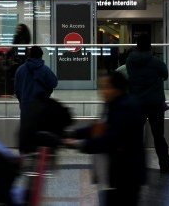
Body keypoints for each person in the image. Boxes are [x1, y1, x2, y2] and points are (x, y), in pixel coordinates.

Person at [63, 72, 146, 206]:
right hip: (115, 174)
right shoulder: (113, 104)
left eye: (106, 87)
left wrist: (80, 144)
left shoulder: (127, 107)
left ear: (117, 88)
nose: (102, 91)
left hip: (126, 174)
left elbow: (112, 139)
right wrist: (72, 134)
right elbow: (98, 129)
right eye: (101, 87)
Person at [126, 33, 169, 174]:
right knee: (159, 136)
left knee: (135, 136)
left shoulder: (130, 61)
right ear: (150, 46)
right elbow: (165, 75)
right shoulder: (157, 62)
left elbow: (130, 74)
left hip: (136, 103)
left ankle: (133, 166)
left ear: (137, 45)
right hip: (155, 103)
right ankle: (165, 166)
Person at [14, 46, 61, 153]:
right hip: (42, 107)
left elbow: (16, 90)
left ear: (29, 55)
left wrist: (22, 101)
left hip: (26, 107)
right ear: (41, 56)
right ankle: (40, 156)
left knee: (26, 132)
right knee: (42, 131)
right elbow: (54, 83)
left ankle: (25, 155)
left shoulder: (20, 70)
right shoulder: (45, 69)